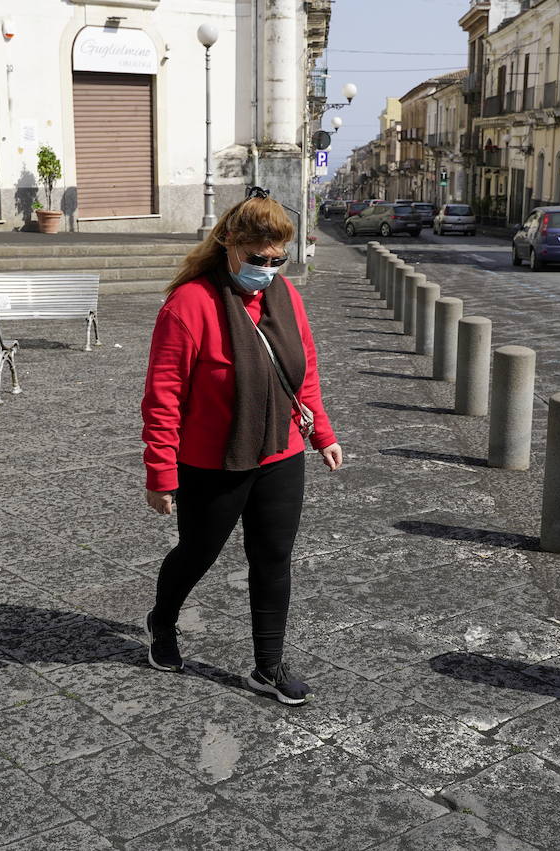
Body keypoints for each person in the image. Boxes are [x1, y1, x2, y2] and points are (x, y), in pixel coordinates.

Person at [140, 188, 343, 705]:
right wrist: (160, 474)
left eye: (279, 260)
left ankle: (267, 667)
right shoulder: (188, 306)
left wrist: (322, 433)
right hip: (212, 461)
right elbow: (162, 399)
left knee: (273, 559)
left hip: (280, 453)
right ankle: (161, 623)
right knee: (197, 554)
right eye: (258, 259)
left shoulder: (286, 297)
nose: (269, 269)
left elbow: (305, 370)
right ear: (229, 242)